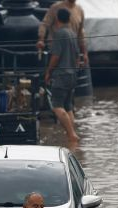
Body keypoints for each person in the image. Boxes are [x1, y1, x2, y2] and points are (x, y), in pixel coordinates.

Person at [44, 8, 80, 144]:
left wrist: (48, 72)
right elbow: (77, 57)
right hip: (72, 75)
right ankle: (72, 136)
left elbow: (56, 56)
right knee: (68, 107)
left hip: (61, 75)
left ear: (57, 19)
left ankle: (71, 135)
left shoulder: (59, 34)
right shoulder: (72, 33)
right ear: (69, 19)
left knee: (56, 106)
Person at [37, 0, 87, 66]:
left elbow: (81, 32)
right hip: (56, 48)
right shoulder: (55, 7)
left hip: (72, 49)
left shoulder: (79, 9)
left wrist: (84, 53)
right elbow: (44, 24)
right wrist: (41, 39)